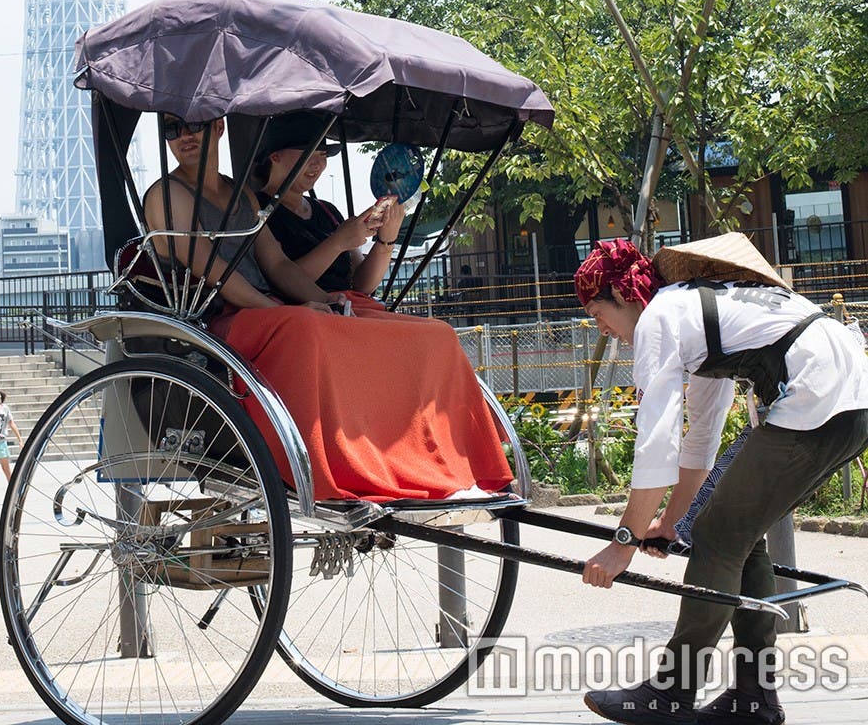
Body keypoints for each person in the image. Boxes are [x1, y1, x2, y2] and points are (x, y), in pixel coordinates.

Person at [140, 115, 512, 502]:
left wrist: (320, 299)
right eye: (171, 130)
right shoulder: (168, 195)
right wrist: (278, 307)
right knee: (307, 326)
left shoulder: (243, 196)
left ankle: (438, 460)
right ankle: (339, 466)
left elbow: (278, 264)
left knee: (435, 334)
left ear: (218, 127)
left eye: (193, 125)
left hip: (270, 309)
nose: (183, 136)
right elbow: (208, 266)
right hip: (222, 317)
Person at [573, 238, 868, 725]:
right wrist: (670, 521)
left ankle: (670, 692)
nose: (599, 326)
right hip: (847, 395)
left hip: (821, 397)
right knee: (735, 533)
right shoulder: (699, 309)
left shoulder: (660, 319)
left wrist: (622, 543)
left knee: (718, 535)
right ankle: (753, 699)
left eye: (597, 310)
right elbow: (701, 435)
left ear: (624, 295)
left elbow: (657, 441)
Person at [257, 113, 405, 316]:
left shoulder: (328, 211)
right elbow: (281, 278)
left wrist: (386, 238)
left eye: (323, 156)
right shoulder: (255, 209)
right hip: (307, 312)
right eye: (307, 155)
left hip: (350, 308)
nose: (317, 165)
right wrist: (337, 243)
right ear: (275, 156)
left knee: (437, 333)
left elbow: (362, 284)